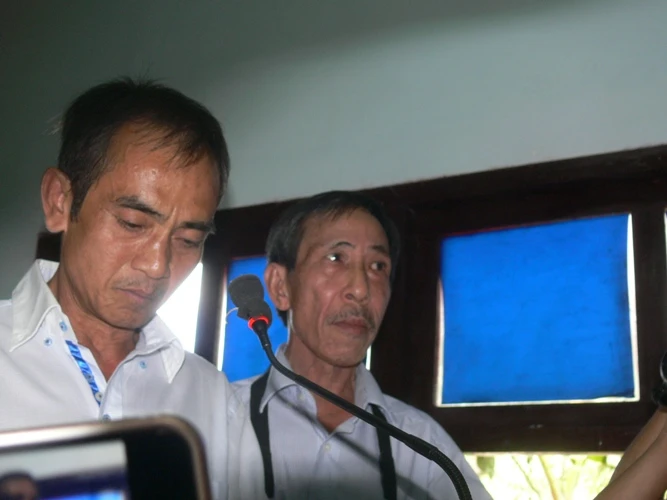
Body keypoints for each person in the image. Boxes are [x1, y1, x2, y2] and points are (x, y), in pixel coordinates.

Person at [0, 78, 260, 499]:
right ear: (59, 201)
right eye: (133, 224)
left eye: (188, 240)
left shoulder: (212, 397)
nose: (158, 265)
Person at [232, 191, 492, 499]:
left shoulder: (421, 443)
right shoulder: (221, 418)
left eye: (378, 266)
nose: (360, 289)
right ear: (280, 286)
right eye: (336, 258)